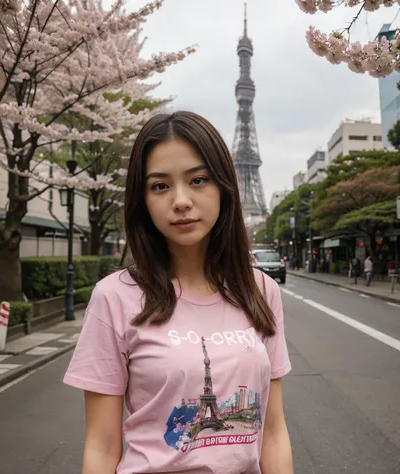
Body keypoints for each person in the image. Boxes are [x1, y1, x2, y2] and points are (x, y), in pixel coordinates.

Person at [63, 111, 293, 474]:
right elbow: (101, 446)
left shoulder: (260, 289)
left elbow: (274, 431)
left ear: (224, 187)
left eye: (198, 179)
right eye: (160, 186)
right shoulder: (115, 296)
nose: (181, 200)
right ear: (143, 200)